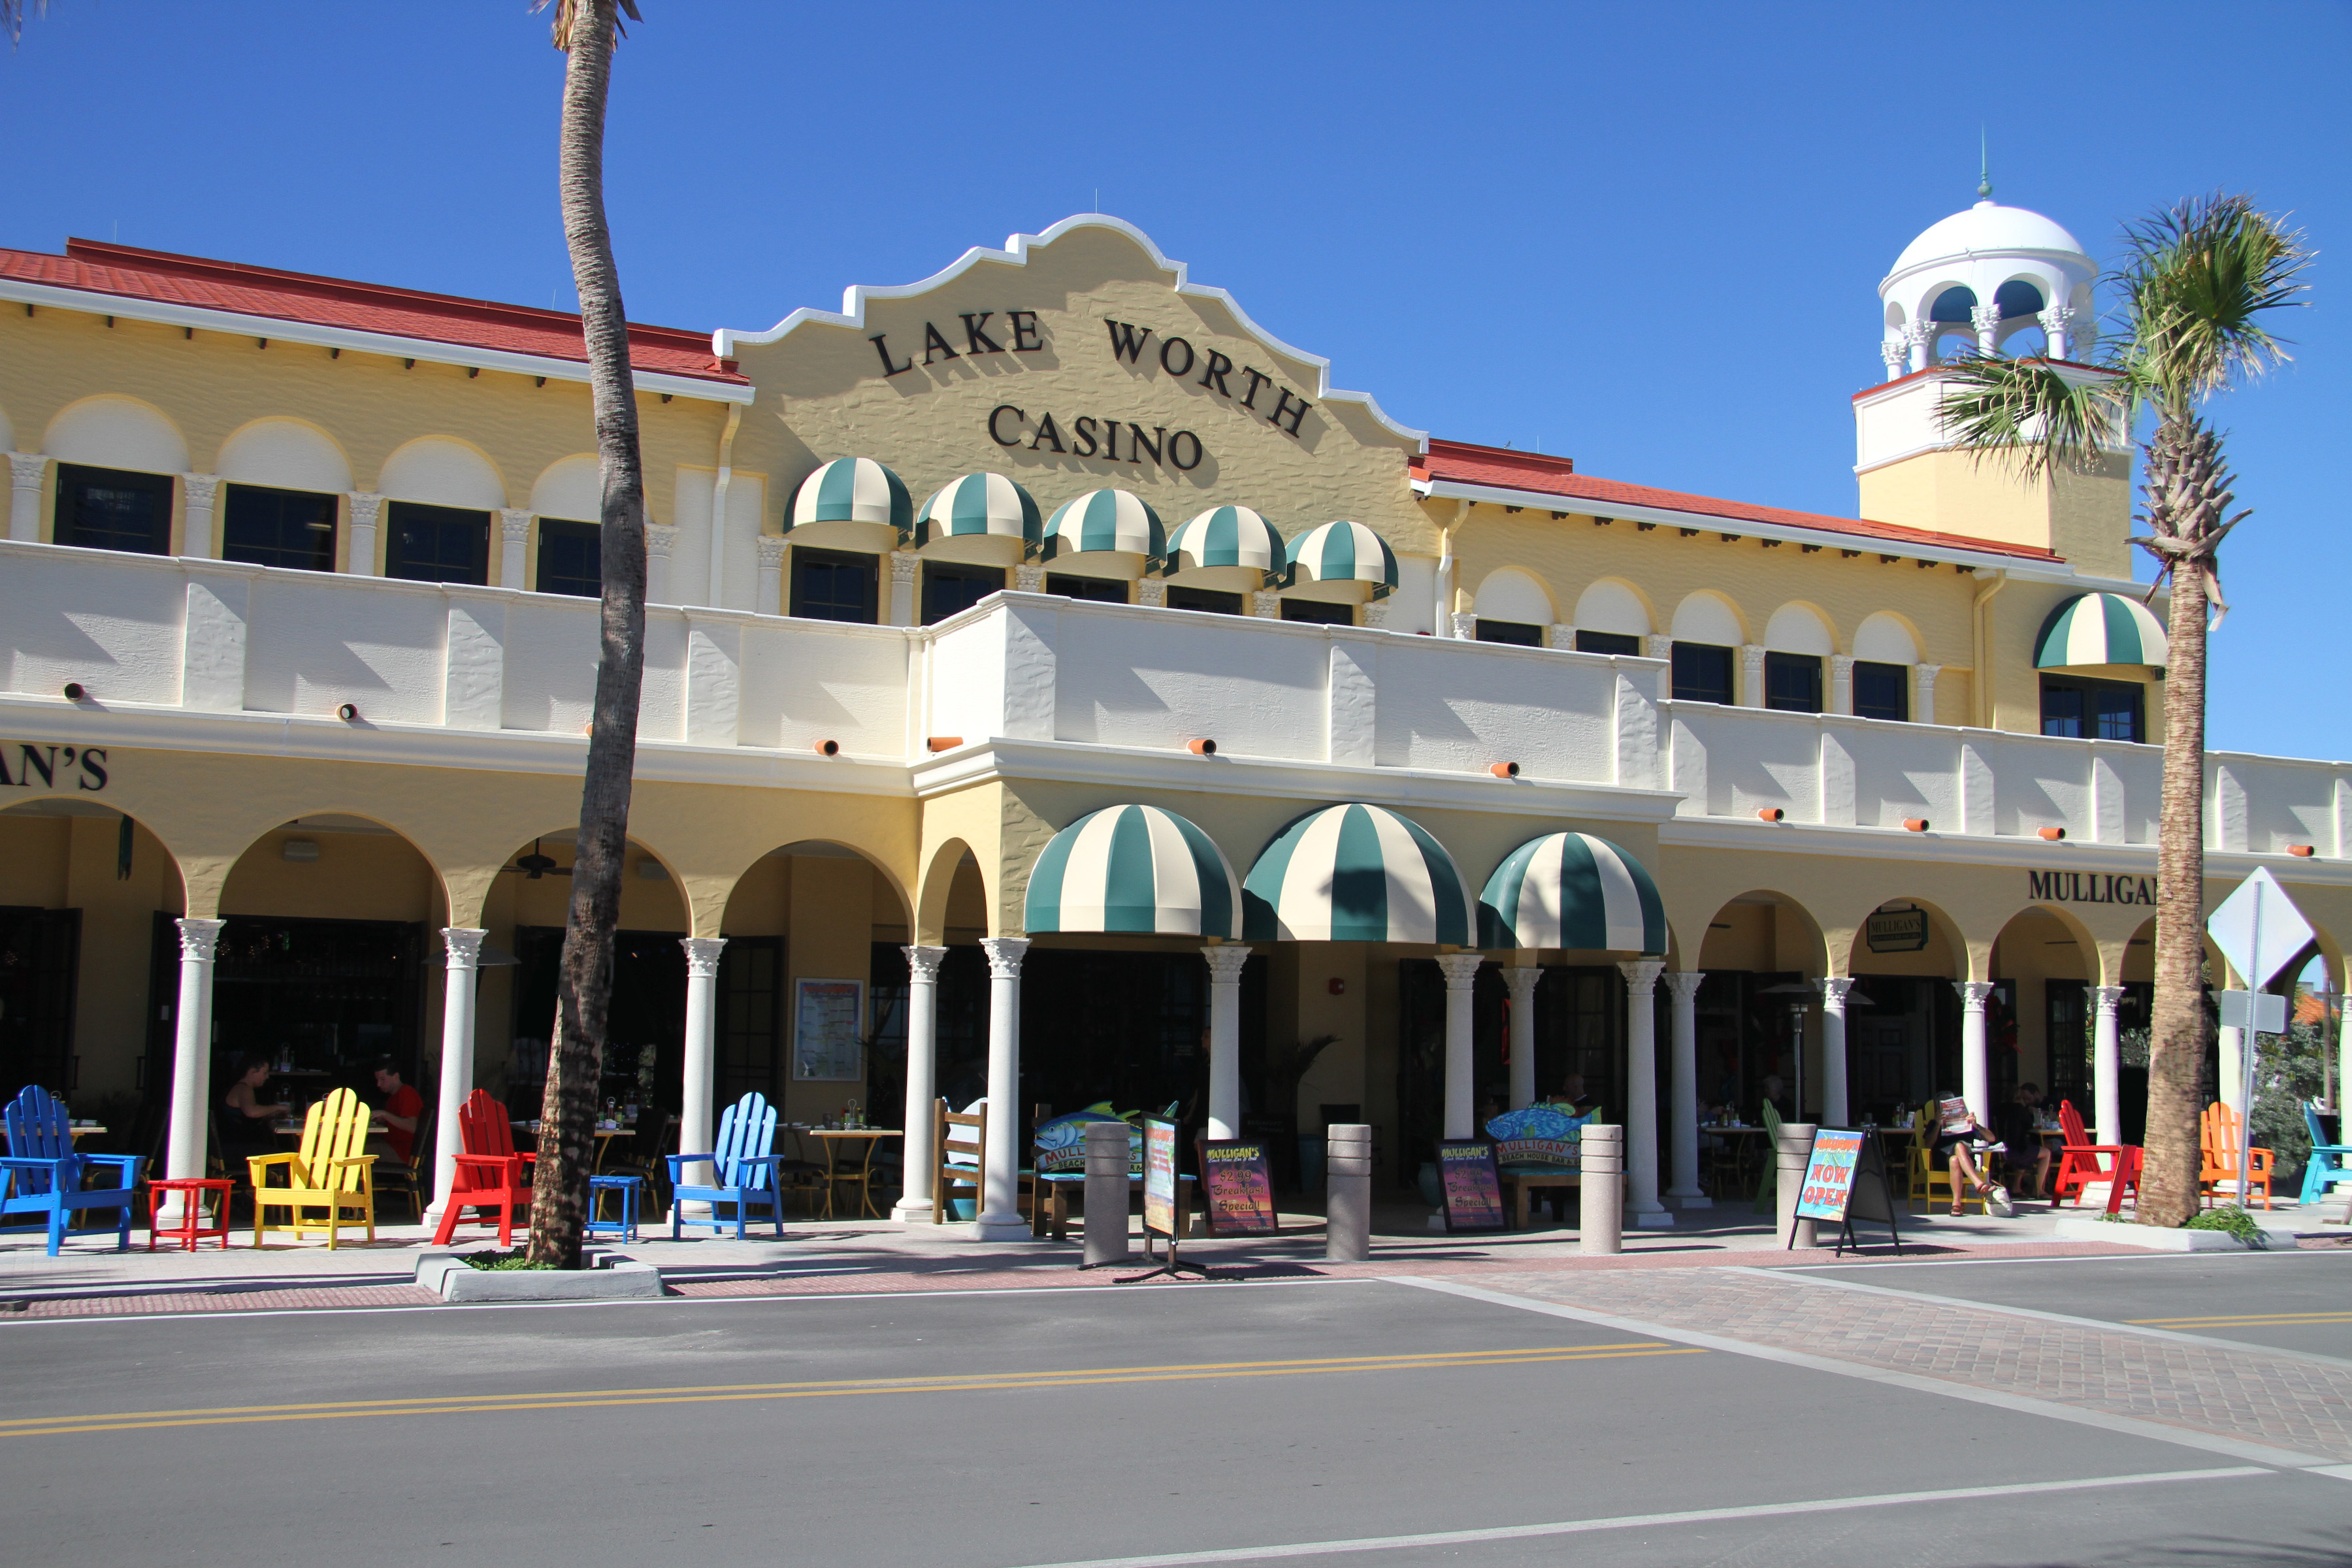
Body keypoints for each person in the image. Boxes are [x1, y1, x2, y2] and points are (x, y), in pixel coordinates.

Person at [1933, 1092, 2006, 1216]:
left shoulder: (1966, 1123)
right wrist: (1937, 1125)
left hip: (1967, 1162)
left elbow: (1991, 1138)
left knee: (1955, 1158)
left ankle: (1956, 1205)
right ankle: (1979, 1184)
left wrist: (1976, 1125)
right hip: (1943, 1161)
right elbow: (1928, 1144)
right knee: (1957, 1149)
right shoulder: (1934, 1123)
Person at [219, 1054, 288, 1161]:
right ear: (252, 1071)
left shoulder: (237, 1087)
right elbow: (252, 1112)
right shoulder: (244, 1089)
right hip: (236, 1149)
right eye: (264, 1073)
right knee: (288, 1155)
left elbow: (246, 1117)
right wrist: (279, 1107)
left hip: (228, 1148)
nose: (267, 1077)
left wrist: (267, 1115)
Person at [1993, 1083, 2052, 1200]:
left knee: (2029, 1151)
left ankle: (2016, 1187)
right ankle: (2038, 1190)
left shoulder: (1997, 1108)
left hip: (1999, 1151)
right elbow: (2029, 1125)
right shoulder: (2019, 1109)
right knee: (2046, 1153)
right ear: (2018, 1098)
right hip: (2015, 1150)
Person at [371, 1060, 425, 1165]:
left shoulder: (407, 1094)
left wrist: (385, 1115)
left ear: (396, 1077)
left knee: (357, 1152)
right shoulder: (393, 1097)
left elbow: (412, 1127)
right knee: (358, 1145)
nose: (378, 1084)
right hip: (391, 1145)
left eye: (383, 1079)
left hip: (402, 1152)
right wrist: (383, 1119)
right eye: (377, 1080)